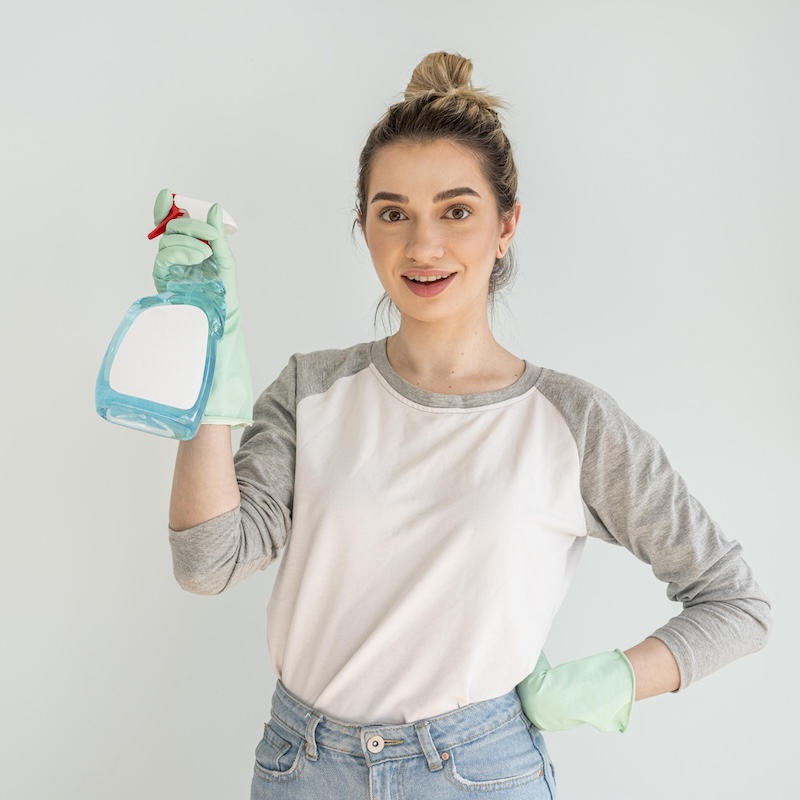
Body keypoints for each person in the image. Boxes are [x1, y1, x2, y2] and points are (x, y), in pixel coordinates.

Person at [156, 52, 771, 800]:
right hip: (303, 769)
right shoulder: (311, 389)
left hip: (478, 774)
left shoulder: (573, 421)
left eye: (456, 211)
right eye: (393, 214)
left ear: (506, 225)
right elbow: (208, 564)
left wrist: (607, 681)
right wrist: (204, 360)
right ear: (363, 227)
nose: (423, 247)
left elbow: (735, 602)